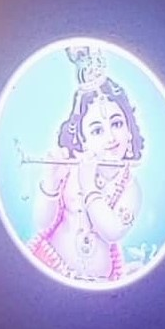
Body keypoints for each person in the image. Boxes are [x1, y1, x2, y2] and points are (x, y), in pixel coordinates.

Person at [29, 47, 147, 285]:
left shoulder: (130, 187)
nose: (111, 137)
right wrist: (50, 180)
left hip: (99, 285)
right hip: (48, 268)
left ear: (130, 129)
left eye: (117, 124)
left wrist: (89, 186)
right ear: (82, 140)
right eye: (97, 130)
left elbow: (112, 231)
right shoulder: (70, 170)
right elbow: (42, 223)